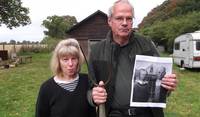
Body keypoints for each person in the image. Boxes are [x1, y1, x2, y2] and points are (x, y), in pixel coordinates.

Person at [88, 0, 177, 117]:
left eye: (129, 18)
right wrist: (93, 96)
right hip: (114, 114)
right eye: (119, 18)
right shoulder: (97, 50)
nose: (125, 23)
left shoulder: (147, 44)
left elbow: (161, 78)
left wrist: (168, 84)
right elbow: (89, 88)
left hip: (146, 114)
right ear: (110, 21)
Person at [35, 38, 96, 117]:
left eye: (73, 58)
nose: (70, 64)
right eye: (65, 59)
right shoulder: (46, 88)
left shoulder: (87, 81)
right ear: (58, 62)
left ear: (79, 60)